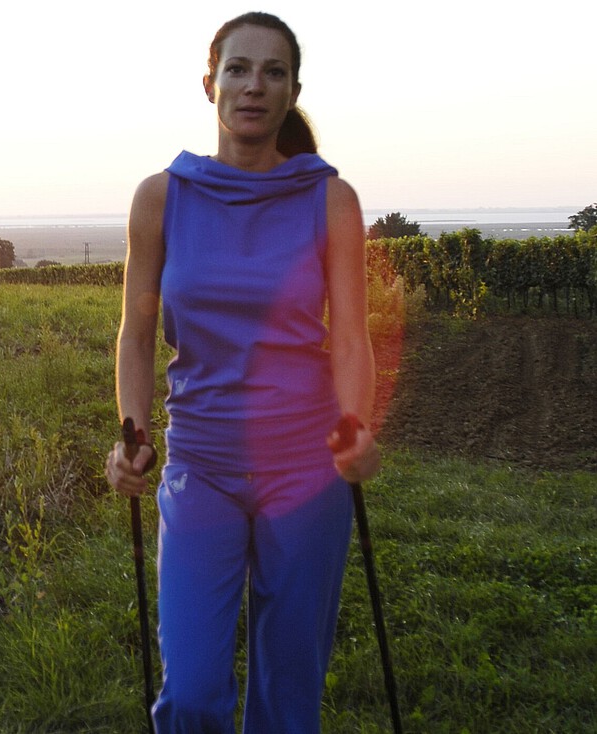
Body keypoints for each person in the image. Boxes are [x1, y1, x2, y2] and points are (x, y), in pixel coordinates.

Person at [104, 11, 381, 734]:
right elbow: (136, 333)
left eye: (273, 72)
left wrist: (358, 429)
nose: (253, 85)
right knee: (192, 693)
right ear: (210, 83)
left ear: (292, 91)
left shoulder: (331, 200)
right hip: (203, 465)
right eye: (238, 69)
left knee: (288, 701)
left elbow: (350, 339)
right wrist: (130, 436)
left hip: (307, 471)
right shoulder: (162, 198)